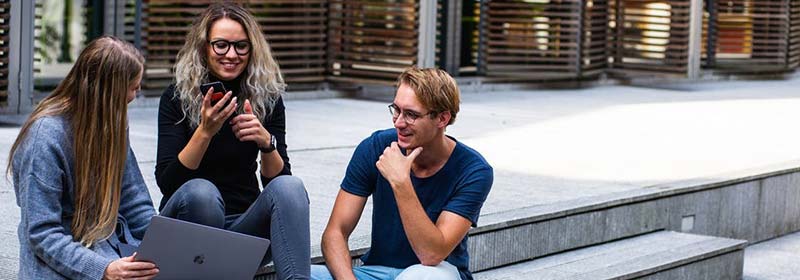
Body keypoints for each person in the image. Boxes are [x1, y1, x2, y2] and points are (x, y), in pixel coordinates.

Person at [155, 3, 309, 278]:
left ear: (252, 50)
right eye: (221, 45)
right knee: (202, 192)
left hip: (242, 229)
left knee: (291, 187)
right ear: (205, 47)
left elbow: (279, 185)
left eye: (241, 46)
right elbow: (167, 182)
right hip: (187, 228)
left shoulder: (266, 98)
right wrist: (205, 132)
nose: (231, 54)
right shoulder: (177, 98)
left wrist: (266, 141)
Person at [312, 67, 494, 280]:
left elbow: (431, 254)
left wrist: (401, 182)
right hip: (377, 272)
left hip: (435, 273)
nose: (398, 122)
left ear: (442, 119)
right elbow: (335, 233)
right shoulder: (375, 147)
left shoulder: (473, 170)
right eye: (396, 110)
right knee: (302, 274)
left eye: (411, 115)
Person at [8, 36, 158, 280]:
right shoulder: (44, 138)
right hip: (63, 258)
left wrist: (158, 248)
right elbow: (42, 233)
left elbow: (133, 201)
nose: (137, 94)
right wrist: (104, 270)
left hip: (108, 242)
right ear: (110, 92)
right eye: (133, 87)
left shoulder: (113, 123)